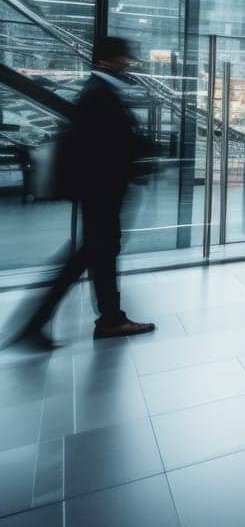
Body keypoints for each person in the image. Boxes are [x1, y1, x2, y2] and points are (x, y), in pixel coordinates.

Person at [9, 37, 157, 348]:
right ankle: (36, 321)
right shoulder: (99, 94)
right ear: (112, 59)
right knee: (88, 255)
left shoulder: (102, 90)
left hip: (102, 189)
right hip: (102, 189)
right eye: (125, 57)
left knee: (99, 253)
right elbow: (105, 145)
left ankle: (110, 318)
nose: (128, 63)